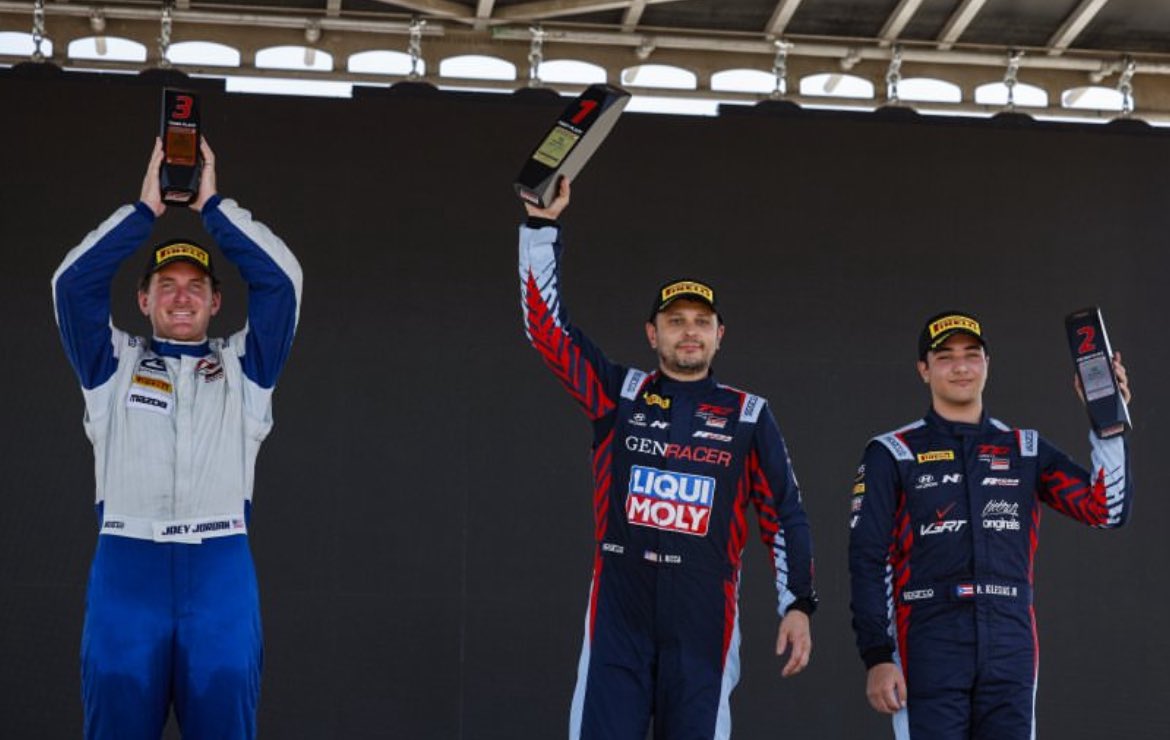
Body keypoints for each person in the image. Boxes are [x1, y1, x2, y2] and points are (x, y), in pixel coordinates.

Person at [518, 178, 816, 740]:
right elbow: (547, 331)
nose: (689, 332)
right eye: (676, 321)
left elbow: (785, 516)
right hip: (620, 604)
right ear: (652, 333)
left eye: (701, 322)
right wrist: (541, 227)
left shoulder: (748, 415)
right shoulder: (618, 394)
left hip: (704, 611)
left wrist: (797, 604)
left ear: (720, 335)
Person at [51, 138, 303, 739]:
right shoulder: (111, 365)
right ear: (143, 300)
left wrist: (213, 207)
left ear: (217, 301)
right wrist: (145, 211)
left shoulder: (245, 369)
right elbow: (71, 287)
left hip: (219, 576)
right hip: (127, 574)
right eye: (167, 284)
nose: (182, 295)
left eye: (196, 285)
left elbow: (284, 283)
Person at [848, 310, 1132, 739]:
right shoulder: (893, 452)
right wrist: (877, 655)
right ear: (924, 369)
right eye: (945, 357)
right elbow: (868, 560)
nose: (960, 367)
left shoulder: (1025, 448)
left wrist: (1107, 425)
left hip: (1009, 637)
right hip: (928, 637)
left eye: (971, 354)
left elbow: (1106, 509)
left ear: (987, 364)